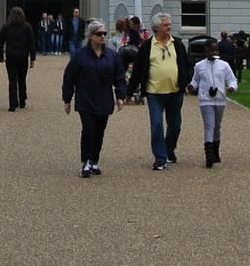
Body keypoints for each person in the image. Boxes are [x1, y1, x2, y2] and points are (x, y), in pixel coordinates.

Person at [127, 11, 191, 171]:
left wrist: (187, 81)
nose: (169, 26)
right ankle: (160, 158)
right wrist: (129, 92)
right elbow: (138, 70)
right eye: (165, 24)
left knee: (175, 125)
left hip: (175, 92)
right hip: (154, 93)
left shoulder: (177, 44)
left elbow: (187, 64)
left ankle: (169, 150)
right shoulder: (148, 46)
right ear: (157, 28)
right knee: (156, 125)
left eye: (169, 24)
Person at [61, 21, 127, 177]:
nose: (103, 36)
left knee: (99, 131)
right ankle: (86, 161)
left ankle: (95, 159)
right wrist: (67, 99)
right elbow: (69, 77)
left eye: (104, 33)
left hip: (104, 98)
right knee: (89, 129)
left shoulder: (112, 55)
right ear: (90, 36)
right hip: (86, 98)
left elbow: (119, 76)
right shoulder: (79, 56)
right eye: (99, 34)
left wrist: (120, 96)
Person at [187, 41, 238, 167]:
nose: (214, 53)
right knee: (209, 126)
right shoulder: (199, 66)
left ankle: (215, 151)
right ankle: (208, 154)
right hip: (206, 99)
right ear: (206, 50)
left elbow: (232, 79)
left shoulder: (224, 65)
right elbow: (195, 80)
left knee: (217, 126)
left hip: (220, 99)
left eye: (216, 51)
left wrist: (232, 87)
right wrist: (192, 86)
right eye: (211, 51)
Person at [0, 6, 36, 111]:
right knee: (22, 79)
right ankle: (22, 100)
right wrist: (33, 58)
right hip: (23, 56)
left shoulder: (6, 26)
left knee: (12, 80)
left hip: (11, 56)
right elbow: (31, 43)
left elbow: (0, 43)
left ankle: (12, 104)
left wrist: (0, 56)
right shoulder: (27, 27)